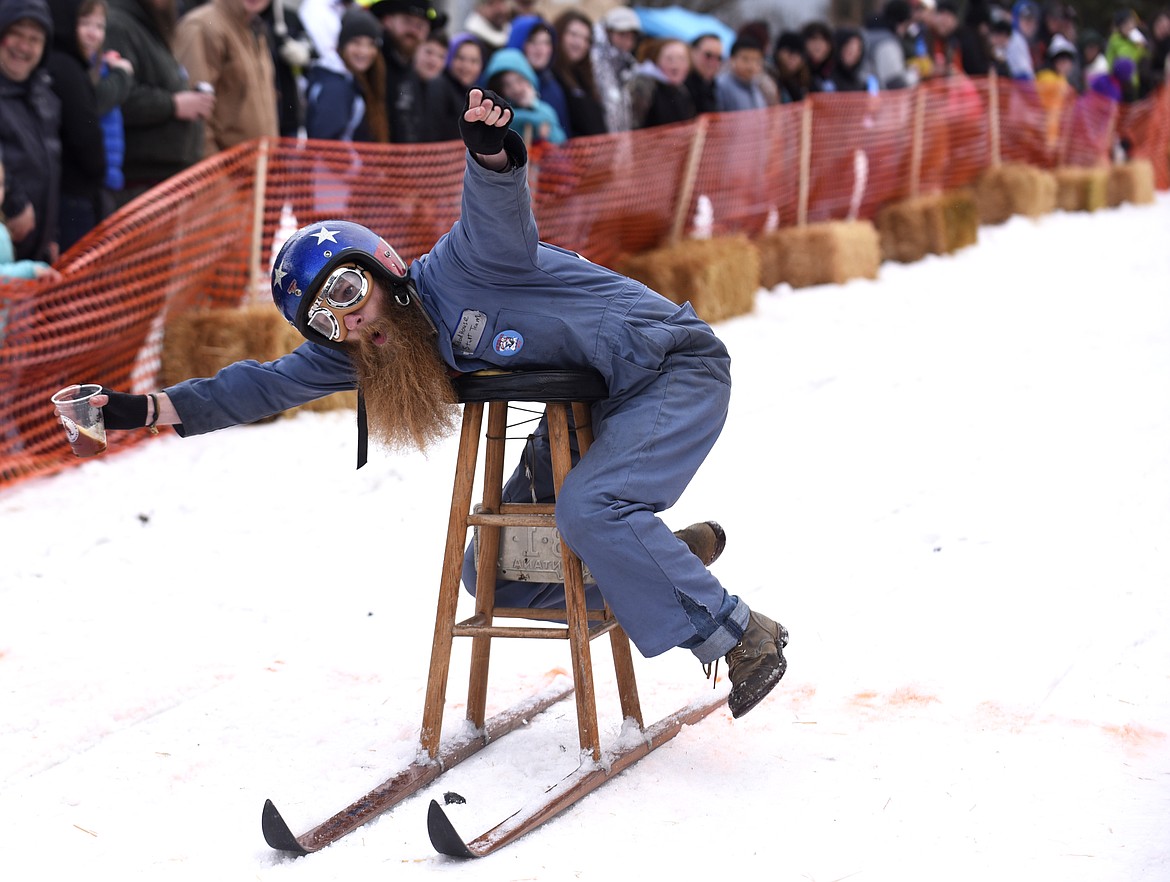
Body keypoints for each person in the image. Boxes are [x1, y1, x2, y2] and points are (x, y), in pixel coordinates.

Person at [82, 88, 790, 721]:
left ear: (382, 271)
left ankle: (740, 634)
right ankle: (658, 563)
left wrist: (490, 155)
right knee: (491, 571)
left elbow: (496, 213)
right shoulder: (365, 352)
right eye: (327, 321)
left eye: (348, 295)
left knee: (590, 511)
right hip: (586, 408)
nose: (349, 324)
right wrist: (141, 411)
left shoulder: (467, 266)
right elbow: (260, 385)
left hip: (669, 370)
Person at [104, 0, 212, 207]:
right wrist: (173, 105)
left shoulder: (149, 22)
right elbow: (118, 96)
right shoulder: (119, 23)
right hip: (140, 182)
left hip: (164, 178)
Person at [174, 0, 279, 157]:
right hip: (225, 172)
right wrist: (217, 176)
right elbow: (196, 120)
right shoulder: (203, 26)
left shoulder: (254, 27)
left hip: (257, 170)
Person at [0, 0, 61, 264]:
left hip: (35, 250)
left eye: (34, 39)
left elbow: (51, 167)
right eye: (16, 34)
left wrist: (50, 235)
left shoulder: (44, 96)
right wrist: (14, 203)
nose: (24, 47)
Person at [304, 4, 388, 142]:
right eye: (356, 43)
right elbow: (325, 145)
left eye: (371, 44)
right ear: (342, 45)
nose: (364, 51)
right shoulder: (336, 87)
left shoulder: (351, 80)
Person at [367, 0, 445, 143]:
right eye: (407, 21)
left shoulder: (413, 71)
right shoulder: (370, 64)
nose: (414, 31)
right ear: (387, 20)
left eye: (420, 26)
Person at [482, 45, 565, 144]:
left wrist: (532, 107)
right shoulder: (496, 112)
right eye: (507, 85)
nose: (516, 89)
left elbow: (560, 140)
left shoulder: (544, 109)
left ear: (529, 79)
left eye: (520, 80)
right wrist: (535, 120)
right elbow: (507, 122)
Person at [506, 15, 569, 139]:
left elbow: (562, 135)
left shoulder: (552, 86)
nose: (540, 49)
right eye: (532, 41)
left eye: (546, 42)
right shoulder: (501, 82)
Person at [550, 9, 605, 137]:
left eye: (585, 39)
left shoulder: (583, 76)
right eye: (573, 35)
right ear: (559, 34)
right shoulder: (552, 75)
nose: (579, 43)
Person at [626, 37, 695, 129]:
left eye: (681, 59)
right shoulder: (644, 85)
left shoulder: (682, 90)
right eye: (669, 59)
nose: (675, 65)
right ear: (656, 60)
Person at [590, 4, 638, 133]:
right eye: (622, 35)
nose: (627, 42)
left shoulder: (628, 65)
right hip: (600, 137)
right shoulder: (595, 60)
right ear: (608, 32)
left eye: (631, 37)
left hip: (620, 136)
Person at [861, 0, 915, 89]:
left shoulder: (868, 34)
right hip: (881, 99)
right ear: (901, 23)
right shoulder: (887, 43)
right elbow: (895, 83)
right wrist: (914, 74)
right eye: (906, 25)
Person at [714, 35, 766, 112]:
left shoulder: (757, 86)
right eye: (745, 59)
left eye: (755, 60)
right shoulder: (721, 86)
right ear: (732, 59)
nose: (751, 66)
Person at [684, 32, 722, 115]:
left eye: (719, 58)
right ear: (692, 52)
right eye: (708, 55)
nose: (713, 62)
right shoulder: (680, 85)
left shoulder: (713, 86)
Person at [771, 30, 809, 102]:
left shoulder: (801, 82)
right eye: (790, 52)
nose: (793, 58)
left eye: (798, 54)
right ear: (778, 53)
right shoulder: (771, 78)